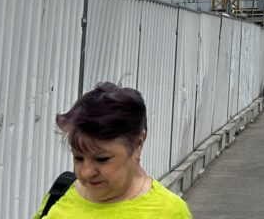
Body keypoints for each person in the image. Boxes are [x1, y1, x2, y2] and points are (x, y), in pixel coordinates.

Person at [31, 81, 191, 217]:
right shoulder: (60, 193)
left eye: (102, 159)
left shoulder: (170, 213)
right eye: (78, 158)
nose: (86, 172)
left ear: (138, 143)